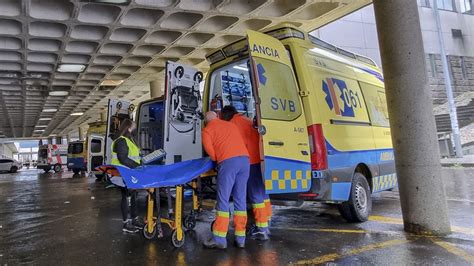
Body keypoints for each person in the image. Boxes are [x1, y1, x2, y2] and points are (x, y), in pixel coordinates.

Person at [221, 105, 271, 241]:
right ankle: (267, 221)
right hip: (260, 159)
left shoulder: (231, 125)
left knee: (255, 196)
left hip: (248, 161)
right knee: (262, 192)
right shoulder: (247, 120)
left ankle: (262, 229)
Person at [201, 111, 250, 249]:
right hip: (245, 161)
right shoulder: (231, 125)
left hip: (228, 163)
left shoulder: (207, 130)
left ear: (206, 121)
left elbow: (212, 155)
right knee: (240, 199)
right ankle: (241, 238)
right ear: (217, 117)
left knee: (223, 199)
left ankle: (219, 238)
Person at [110, 119, 145, 233]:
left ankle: (134, 220)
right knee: (126, 196)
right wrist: (137, 166)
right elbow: (123, 158)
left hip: (129, 173)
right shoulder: (121, 141)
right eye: (134, 125)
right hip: (121, 174)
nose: (135, 127)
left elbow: (133, 156)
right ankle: (126, 223)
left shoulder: (129, 140)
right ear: (129, 126)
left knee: (133, 195)